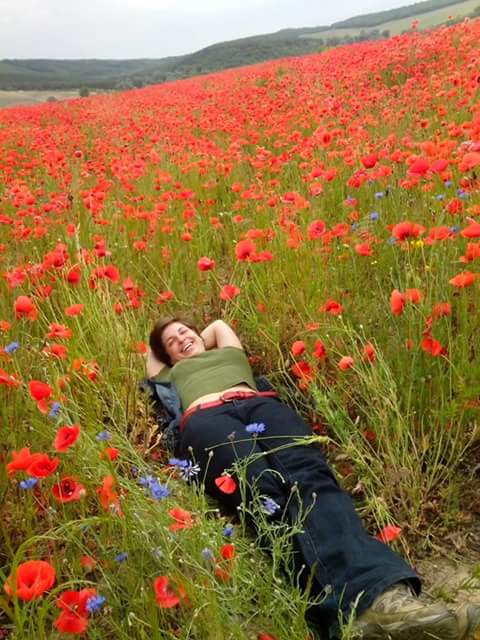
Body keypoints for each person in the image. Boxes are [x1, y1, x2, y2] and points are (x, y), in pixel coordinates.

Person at [146, 317, 480, 640]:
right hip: (206, 419)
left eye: (184, 332)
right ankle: (353, 613)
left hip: (260, 407)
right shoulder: (173, 373)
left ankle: (384, 600)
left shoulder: (228, 350)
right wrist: (176, 342)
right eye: (171, 343)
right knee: (262, 495)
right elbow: (152, 359)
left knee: (313, 483)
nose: (181, 340)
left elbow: (219, 326)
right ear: (168, 357)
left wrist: (192, 338)